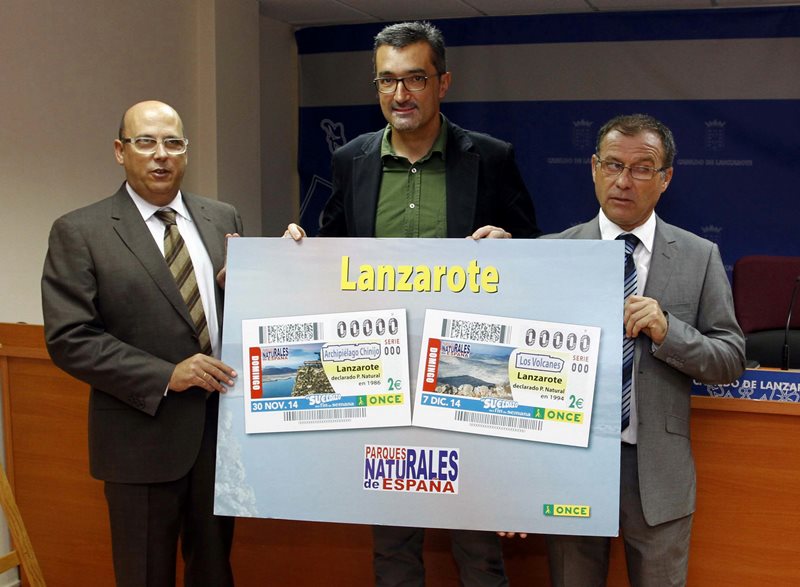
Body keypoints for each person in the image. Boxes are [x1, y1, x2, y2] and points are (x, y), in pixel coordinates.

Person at [286, 20, 540, 587]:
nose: (399, 94)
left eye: (415, 79)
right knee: (393, 541)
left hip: (466, 377)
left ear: (442, 82)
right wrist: (294, 254)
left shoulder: (491, 157)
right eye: (386, 80)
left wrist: (513, 246)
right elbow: (331, 254)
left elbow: (534, 255)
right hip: (381, 379)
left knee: (478, 542)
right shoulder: (351, 159)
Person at [41, 100, 242, 587]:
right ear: (120, 151)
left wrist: (274, 269)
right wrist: (166, 374)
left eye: (173, 142)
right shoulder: (80, 231)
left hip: (220, 438)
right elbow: (70, 338)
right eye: (145, 142)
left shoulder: (222, 217)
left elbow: (243, 312)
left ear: (185, 151)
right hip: (140, 438)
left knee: (214, 572)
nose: (161, 154)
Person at [541, 114, 746, 586]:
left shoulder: (699, 256)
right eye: (613, 165)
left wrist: (668, 331)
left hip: (655, 470)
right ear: (594, 167)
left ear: (665, 178)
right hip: (571, 463)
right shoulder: (553, 252)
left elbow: (730, 358)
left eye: (641, 168)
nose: (623, 181)